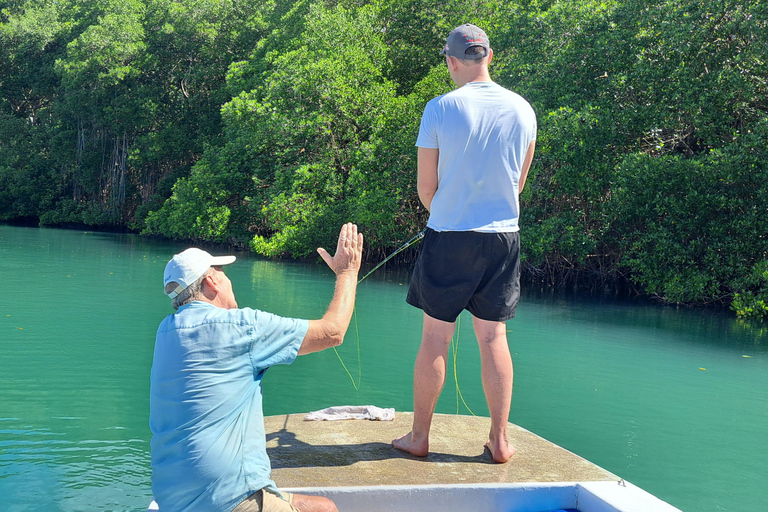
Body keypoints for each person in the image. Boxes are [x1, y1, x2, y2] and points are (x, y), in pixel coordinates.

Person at [392, 24, 537, 464]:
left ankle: (419, 437)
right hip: (503, 237)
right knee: (494, 337)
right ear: (489, 56)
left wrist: (449, 214)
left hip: (450, 236)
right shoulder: (523, 109)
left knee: (436, 338)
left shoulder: (439, 108)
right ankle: (500, 441)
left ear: (452, 61)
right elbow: (519, 184)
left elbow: (425, 187)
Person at [150, 223, 363, 512]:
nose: (229, 282)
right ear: (212, 282)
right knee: (326, 510)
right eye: (224, 276)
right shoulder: (242, 327)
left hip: (172, 500)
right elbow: (333, 332)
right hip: (227, 499)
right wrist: (347, 272)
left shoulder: (166, 333)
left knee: (317, 505)